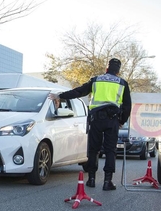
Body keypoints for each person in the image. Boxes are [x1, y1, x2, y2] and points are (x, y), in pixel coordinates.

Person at [49, 58, 131, 190]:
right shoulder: (122, 83)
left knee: (93, 149)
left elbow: (78, 91)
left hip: (96, 119)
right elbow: (127, 106)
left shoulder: (96, 80)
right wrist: (121, 121)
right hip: (112, 119)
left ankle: (91, 179)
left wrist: (60, 96)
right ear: (118, 71)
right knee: (110, 150)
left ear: (106, 69)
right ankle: (107, 182)